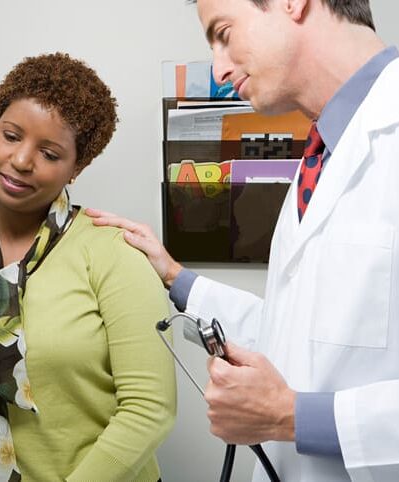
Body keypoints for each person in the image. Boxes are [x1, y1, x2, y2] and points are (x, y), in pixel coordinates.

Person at [88, 0, 399, 480]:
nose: (219, 67)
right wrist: (174, 276)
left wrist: (291, 417)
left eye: (224, 33)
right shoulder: (323, 154)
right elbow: (296, 336)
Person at [0, 52, 177, 482]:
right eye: (11, 136)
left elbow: (151, 408)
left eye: (49, 153)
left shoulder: (112, 253)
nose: (20, 160)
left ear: (78, 167)